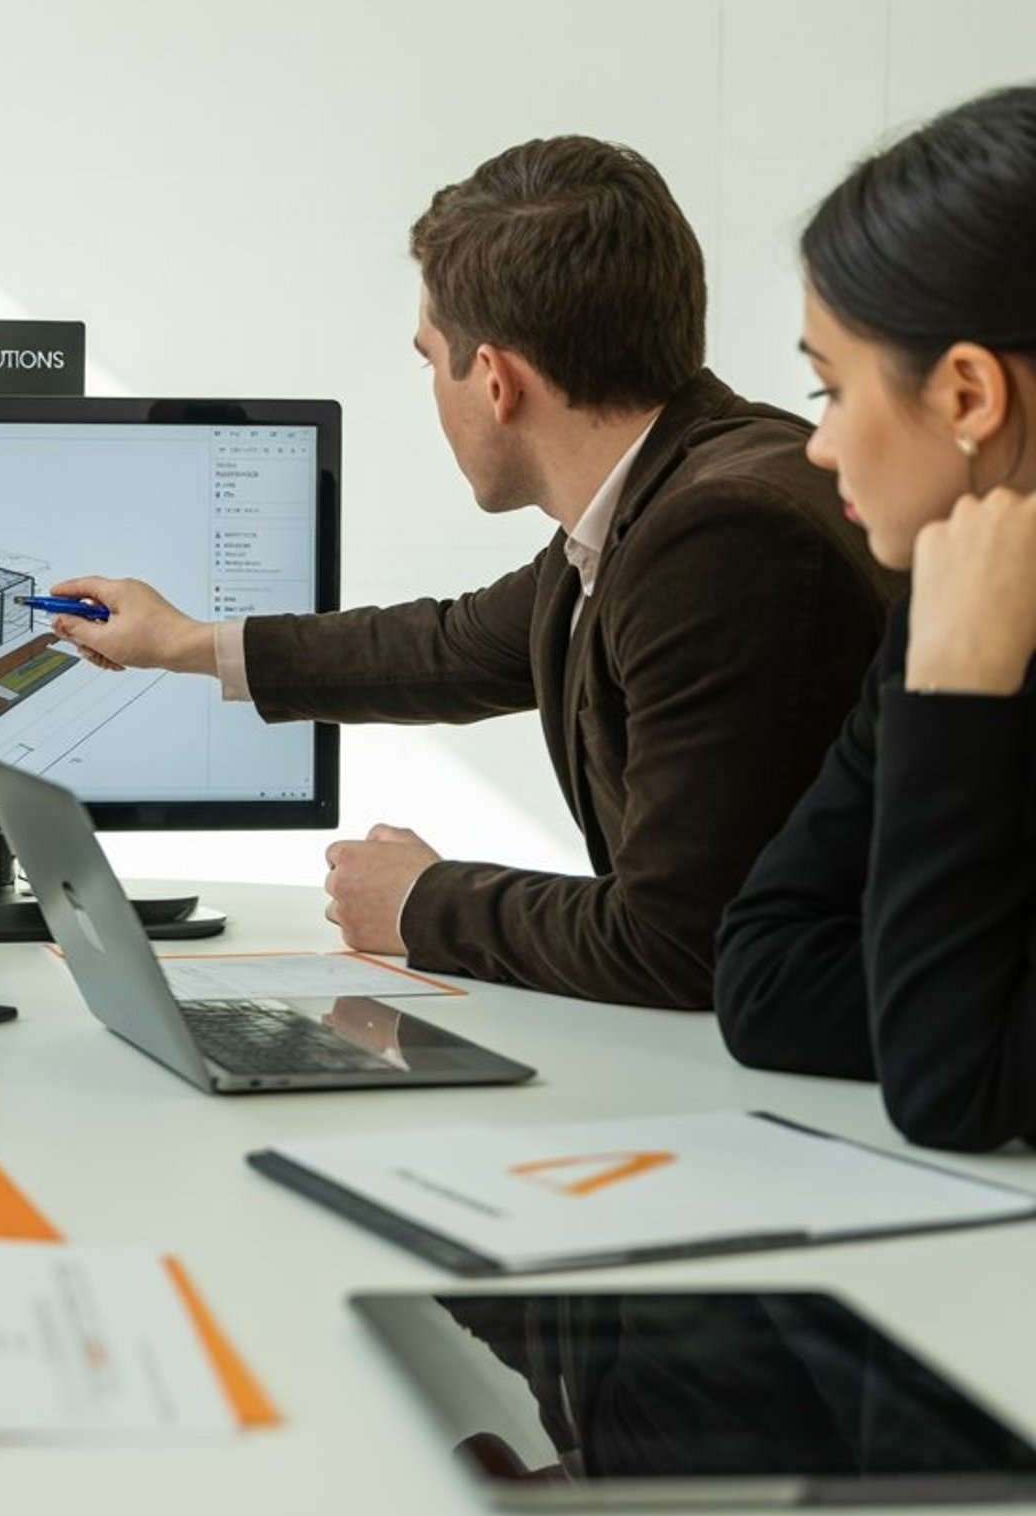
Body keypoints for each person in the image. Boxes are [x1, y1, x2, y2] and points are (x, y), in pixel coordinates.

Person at [50, 136, 896, 1008]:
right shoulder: (672, 491)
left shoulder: (720, 537)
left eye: (429, 359)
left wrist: (422, 900)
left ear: (494, 380)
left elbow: (683, 941)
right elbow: (450, 646)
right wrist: (183, 642)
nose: (430, 386)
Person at [715, 86, 1036, 1151]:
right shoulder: (946, 603)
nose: (819, 445)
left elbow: (953, 1087)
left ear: (968, 398)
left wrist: (958, 697)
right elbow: (762, 972)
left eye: (830, 392)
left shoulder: (957, 647)